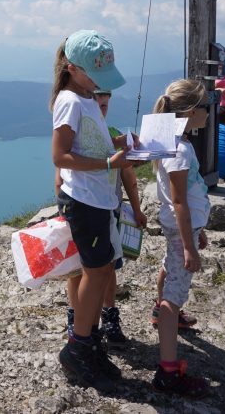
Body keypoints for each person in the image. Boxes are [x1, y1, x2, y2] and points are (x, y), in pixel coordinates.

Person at [51, 30, 143, 391]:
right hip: (85, 201)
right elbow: (61, 156)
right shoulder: (71, 101)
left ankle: (87, 341)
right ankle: (78, 347)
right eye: (95, 75)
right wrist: (109, 161)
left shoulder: (87, 98)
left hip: (99, 200)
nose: (99, 84)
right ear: (73, 69)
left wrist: (120, 143)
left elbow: (91, 142)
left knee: (103, 268)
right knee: (94, 271)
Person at [58, 89, 147, 346]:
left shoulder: (112, 135)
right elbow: (60, 176)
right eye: (97, 105)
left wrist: (138, 210)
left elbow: (129, 178)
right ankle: (79, 321)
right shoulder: (76, 137)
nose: (101, 110)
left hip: (111, 210)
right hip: (84, 210)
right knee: (80, 270)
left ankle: (107, 317)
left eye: (105, 106)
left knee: (108, 268)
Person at [149, 79, 211, 397]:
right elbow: (179, 202)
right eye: (204, 106)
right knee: (175, 296)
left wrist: (195, 232)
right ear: (189, 111)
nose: (208, 111)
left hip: (181, 230)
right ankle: (168, 372)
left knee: (168, 269)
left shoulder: (168, 139)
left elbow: (186, 198)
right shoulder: (181, 150)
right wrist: (189, 246)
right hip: (179, 231)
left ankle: (159, 313)